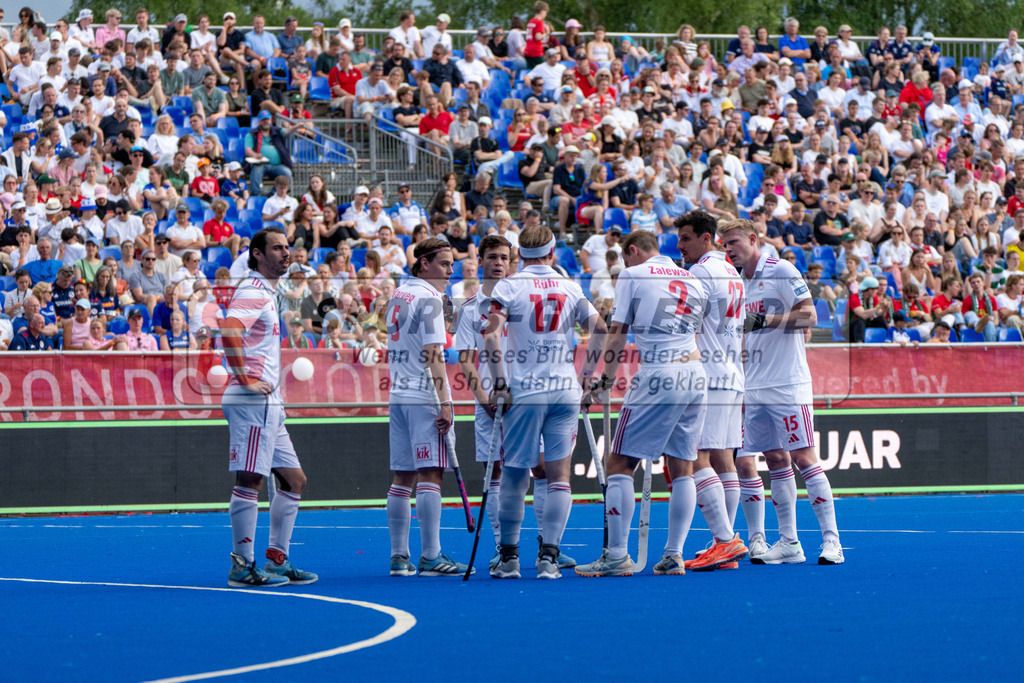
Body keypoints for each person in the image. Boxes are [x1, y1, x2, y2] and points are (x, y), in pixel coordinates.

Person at [573, 227, 711, 577]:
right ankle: (673, 554)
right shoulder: (691, 277)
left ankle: (617, 554)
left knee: (619, 462)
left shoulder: (632, 275)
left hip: (660, 373)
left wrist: (604, 378)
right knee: (683, 467)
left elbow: (617, 332)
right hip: (695, 371)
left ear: (631, 250)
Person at [719, 219, 843, 565]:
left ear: (753, 239)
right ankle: (788, 542)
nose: (728, 249)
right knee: (773, 460)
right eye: (724, 244)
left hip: (788, 384)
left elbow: (810, 316)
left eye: (733, 242)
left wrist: (766, 320)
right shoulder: (739, 282)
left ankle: (832, 542)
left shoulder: (782, 269)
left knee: (805, 459)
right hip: (753, 385)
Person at [485, 225, 605, 579]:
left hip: (525, 390)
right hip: (565, 388)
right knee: (558, 477)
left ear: (519, 255)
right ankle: (549, 558)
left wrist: (500, 382)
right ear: (553, 255)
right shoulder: (570, 286)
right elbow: (600, 328)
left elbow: (491, 333)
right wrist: (586, 375)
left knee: (515, 473)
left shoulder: (509, 285)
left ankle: (508, 559)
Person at [221, 227, 317, 587]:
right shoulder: (253, 290)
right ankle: (242, 565)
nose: (286, 253)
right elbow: (229, 329)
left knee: (294, 480)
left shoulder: (267, 293)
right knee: (250, 479)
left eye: (287, 247)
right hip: (252, 400)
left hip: (269, 402)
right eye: (277, 248)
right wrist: (244, 378)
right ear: (257, 254)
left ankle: (277, 560)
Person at [674, 210, 759, 570]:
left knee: (696, 459)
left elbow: (685, 327)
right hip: (731, 373)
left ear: (706, 238)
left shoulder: (699, 273)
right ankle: (721, 543)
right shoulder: (732, 272)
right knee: (725, 459)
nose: (680, 247)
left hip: (706, 374)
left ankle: (725, 540)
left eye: (686, 239)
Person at [385, 238, 472, 577]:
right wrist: (446, 402)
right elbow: (434, 355)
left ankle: (398, 556)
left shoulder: (400, 292)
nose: (451, 270)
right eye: (445, 263)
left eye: (453, 264)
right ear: (424, 263)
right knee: (431, 473)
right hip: (424, 396)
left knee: (403, 476)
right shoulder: (430, 298)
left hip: (399, 394)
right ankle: (431, 556)